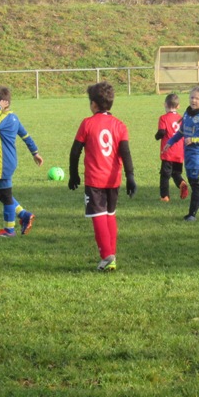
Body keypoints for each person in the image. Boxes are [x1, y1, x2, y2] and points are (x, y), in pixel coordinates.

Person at [69, 82, 136, 271]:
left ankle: (107, 257)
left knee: (98, 215)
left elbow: (75, 151)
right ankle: (111, 255)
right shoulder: (120, 125)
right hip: (113, 179)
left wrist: (73, 174)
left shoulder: (87, 123)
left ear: (94, 104)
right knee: (110, 214)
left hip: (95, 179)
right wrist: (130, 177)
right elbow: (125, 153)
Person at [0, 85, 43, 237]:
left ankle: (9, 230)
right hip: (8, 161)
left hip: (3, 163)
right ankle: (24, 214)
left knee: (5, 196)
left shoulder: (2, 118)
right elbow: (26, 136)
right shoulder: (14, 117)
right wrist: (35, 152)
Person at [163, 85, 199, 221]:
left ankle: (191, 215)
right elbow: (181, 132)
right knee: (195, 184)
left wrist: (194, 140)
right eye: (191, 98)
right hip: (188, 156)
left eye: (197, 98)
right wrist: (170, 142)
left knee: (197, 185)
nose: (193, 100)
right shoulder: (187, 114)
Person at [155, 93, 188, 203]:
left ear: (165, 104)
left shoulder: (163, 118)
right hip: (180, 151)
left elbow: (162, 132)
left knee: (165, 175)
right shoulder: (181, 118)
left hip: (168, 151)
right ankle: (182, 183)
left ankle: (165, 196)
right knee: (176, 173)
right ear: (178, 106)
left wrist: (156, 137)